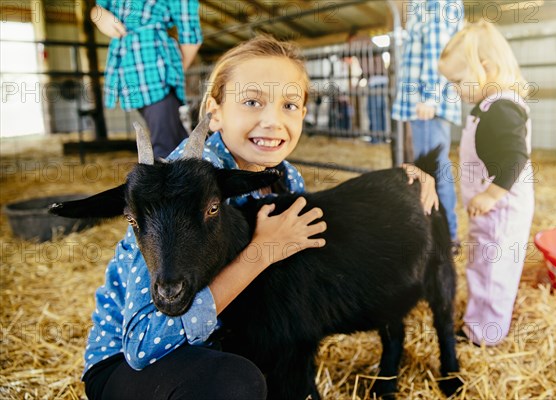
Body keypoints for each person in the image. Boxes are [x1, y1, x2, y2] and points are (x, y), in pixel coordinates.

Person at [82, 36, 439, 400]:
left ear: (303, 114)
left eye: (289, 105)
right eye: (252, 102)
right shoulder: (171, 190)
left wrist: (402, 179)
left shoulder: (283, 178)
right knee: (235, 384)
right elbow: (144, 345)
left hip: (226, 339)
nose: (271, 120)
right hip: (134, 368)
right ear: (214, 111)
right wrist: (262, 252)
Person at [438, 20, 535, 346]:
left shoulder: (501, 109)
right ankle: (482, 317)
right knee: (483, 264)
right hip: (490, 208)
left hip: (501, 210)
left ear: (486, 67)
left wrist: (491, 195)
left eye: (457, 81)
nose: (454, 89)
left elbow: (514, 158)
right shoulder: (490, 105)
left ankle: (483, 334)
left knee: (493, 271)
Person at [391, 0, 463, 246]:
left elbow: (438, 51)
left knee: (433, 170)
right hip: (423, 103)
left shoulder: (436, 2)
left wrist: (430, 97)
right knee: (430, 168)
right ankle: (443, 233)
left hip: (427, 103)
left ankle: (447, 236)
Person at [91, 0, 202, 158]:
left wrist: (175, 70)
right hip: (127, 70)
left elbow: (191, 36)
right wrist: (99, 16)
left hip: (154, 71)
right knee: (175, 140)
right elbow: (98, 8)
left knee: (165, 147)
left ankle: (168, 177)